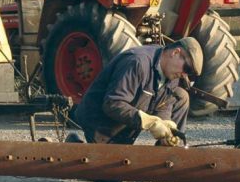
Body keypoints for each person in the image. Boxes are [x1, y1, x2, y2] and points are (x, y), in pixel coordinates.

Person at [71, 37, 203, 147]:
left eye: (190, 73)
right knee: (112, 177)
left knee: (181, 96)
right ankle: (74, 146)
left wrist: (166, 127)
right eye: (187, 68)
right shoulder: (137, 63)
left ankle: (167, 154)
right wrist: (149, 122)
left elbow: (163, 105)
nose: (185, 74)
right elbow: (112, 104)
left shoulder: (172, 72)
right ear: (175, 53)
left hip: (126, 123)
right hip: (101, 123)